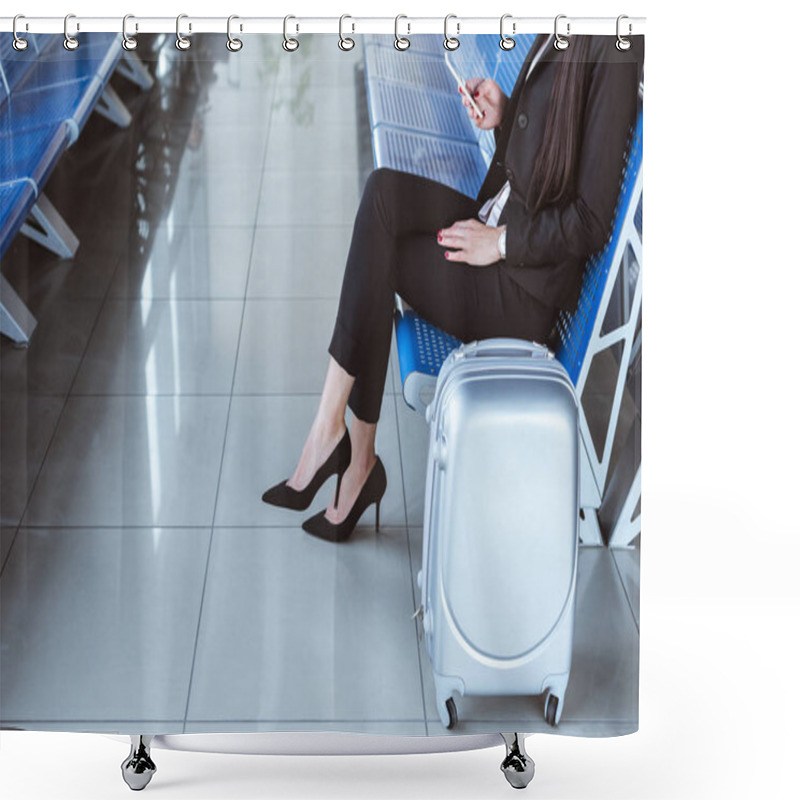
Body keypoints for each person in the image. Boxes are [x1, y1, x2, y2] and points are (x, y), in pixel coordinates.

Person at [262, 33, 643, 542]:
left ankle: (347, 455)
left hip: (519, 289)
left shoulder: (616, 50)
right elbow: (555, 144)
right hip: (498, 222)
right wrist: (507, 117)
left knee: (384, 257)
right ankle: (342, 444)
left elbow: (591, 219)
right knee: (382, 195)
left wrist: (501, 243)